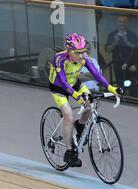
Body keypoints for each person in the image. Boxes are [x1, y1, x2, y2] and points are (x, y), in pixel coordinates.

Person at [49, 33, 122, 167]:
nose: (82, 55)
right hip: (59, 87)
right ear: (69, 50)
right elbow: (63, 82)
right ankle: (69, 152)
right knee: (69, 116)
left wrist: (111, 88)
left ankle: (81, 124)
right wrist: (76, 96)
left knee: (92, 103)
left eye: (84, 51)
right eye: (78, 52)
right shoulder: (59, 59)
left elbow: (97, 75)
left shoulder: (83, 58)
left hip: (74, 83)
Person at [105, 15, 138, 88]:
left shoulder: (132, 34)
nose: (122, 23)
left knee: (132, 87)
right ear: (117, 23)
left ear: (127, 23)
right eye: (120, 21)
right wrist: (115, 42)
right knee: (120, 86)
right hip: (117, 64)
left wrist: (127, 41)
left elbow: (137, 50)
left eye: (124, 21)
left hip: (130, 64)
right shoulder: (112, 34)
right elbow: (107, 50)